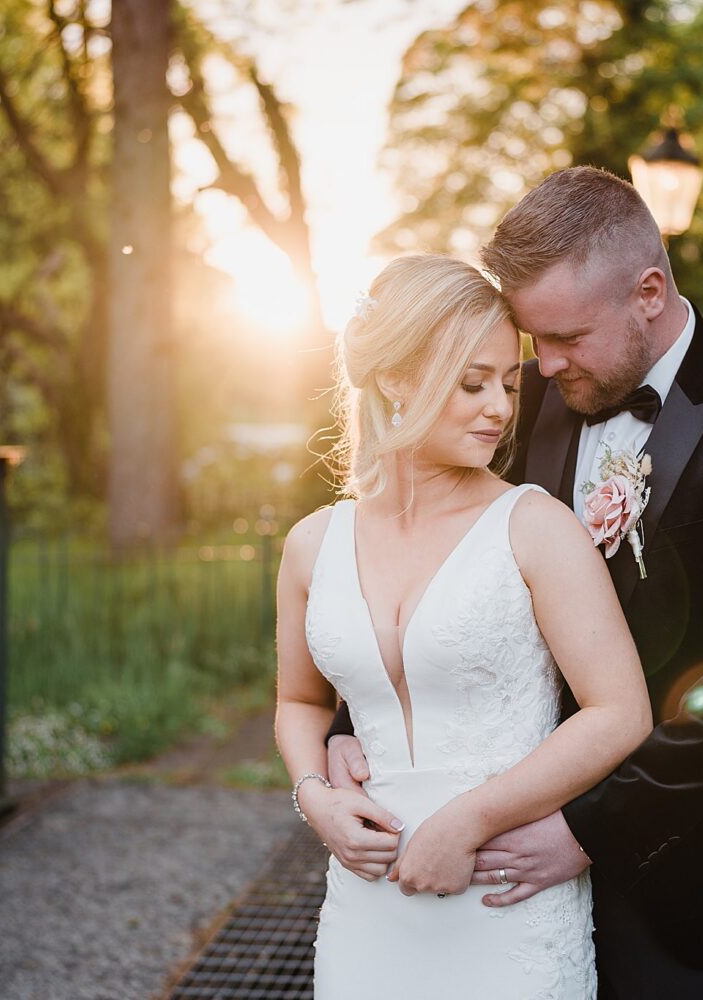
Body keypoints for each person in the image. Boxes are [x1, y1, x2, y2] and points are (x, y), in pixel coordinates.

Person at [328, 166, 703, 999]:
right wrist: (355, 716)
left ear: (648, 291)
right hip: (505, 849)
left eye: (566, 336)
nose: (544, 362)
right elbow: (433, 555)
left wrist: (584, 830)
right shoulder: (532, 395)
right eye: (535, 339)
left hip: (691, 864)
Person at [274, 252, 653, 998]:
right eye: (473, 383)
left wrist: (469, 820)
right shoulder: (312, 543)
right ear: (396, 378)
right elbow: (300, 703)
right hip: (366, 909)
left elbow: (621, 712)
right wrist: (315, 795)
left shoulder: (535, 526)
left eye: (509, 384)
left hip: (504, 899)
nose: (501, 409)